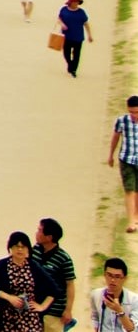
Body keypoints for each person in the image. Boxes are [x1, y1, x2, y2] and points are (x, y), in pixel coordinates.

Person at [0, 230, 60, 332]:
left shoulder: (33, 266)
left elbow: (54, 290)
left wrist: (42, 306)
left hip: (30, 318)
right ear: (10, 248)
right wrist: (9, 298)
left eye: (23, 247)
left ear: (28, 249)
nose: (20, 249)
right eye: (17, 246)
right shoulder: (2, 265)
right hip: (7, 317)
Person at [30, 218, 76, 332]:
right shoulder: (34, 251)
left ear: (49, 237)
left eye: (40, 230)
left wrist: (68, 310)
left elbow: (70, 284)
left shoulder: (64, 259)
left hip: (54, 311)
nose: (37, 233)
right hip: (32, 307)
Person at [89, 257, 137, 332]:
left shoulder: (134, 300)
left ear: (125, 278)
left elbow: (133, 329)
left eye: (117, 277)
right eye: (109, 275)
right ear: (104, 275)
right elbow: (95, 317)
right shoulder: (95, 295)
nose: (112, 280)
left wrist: (120, 311)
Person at [57, 0, 93, 78]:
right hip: (66, 36)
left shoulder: (81, 12)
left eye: (77, 2)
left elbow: (86, 24)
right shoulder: (64, 10)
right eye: (74, 2)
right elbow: (59, 19)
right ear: (70, 2)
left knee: (76, 55)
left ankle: (73, 70)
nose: (76, 3)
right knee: (66, 53)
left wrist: (89, 35)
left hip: (78, 37)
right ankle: (70, 64)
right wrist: (62, 24)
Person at [116, 97, 138, 234]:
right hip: (126, 159)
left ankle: (136, 216)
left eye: (136, 112)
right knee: (129, 190)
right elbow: (115, 137)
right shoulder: (122, 121)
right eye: (131, 112)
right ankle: (131, 221)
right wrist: (111, 155)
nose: (134, 115)